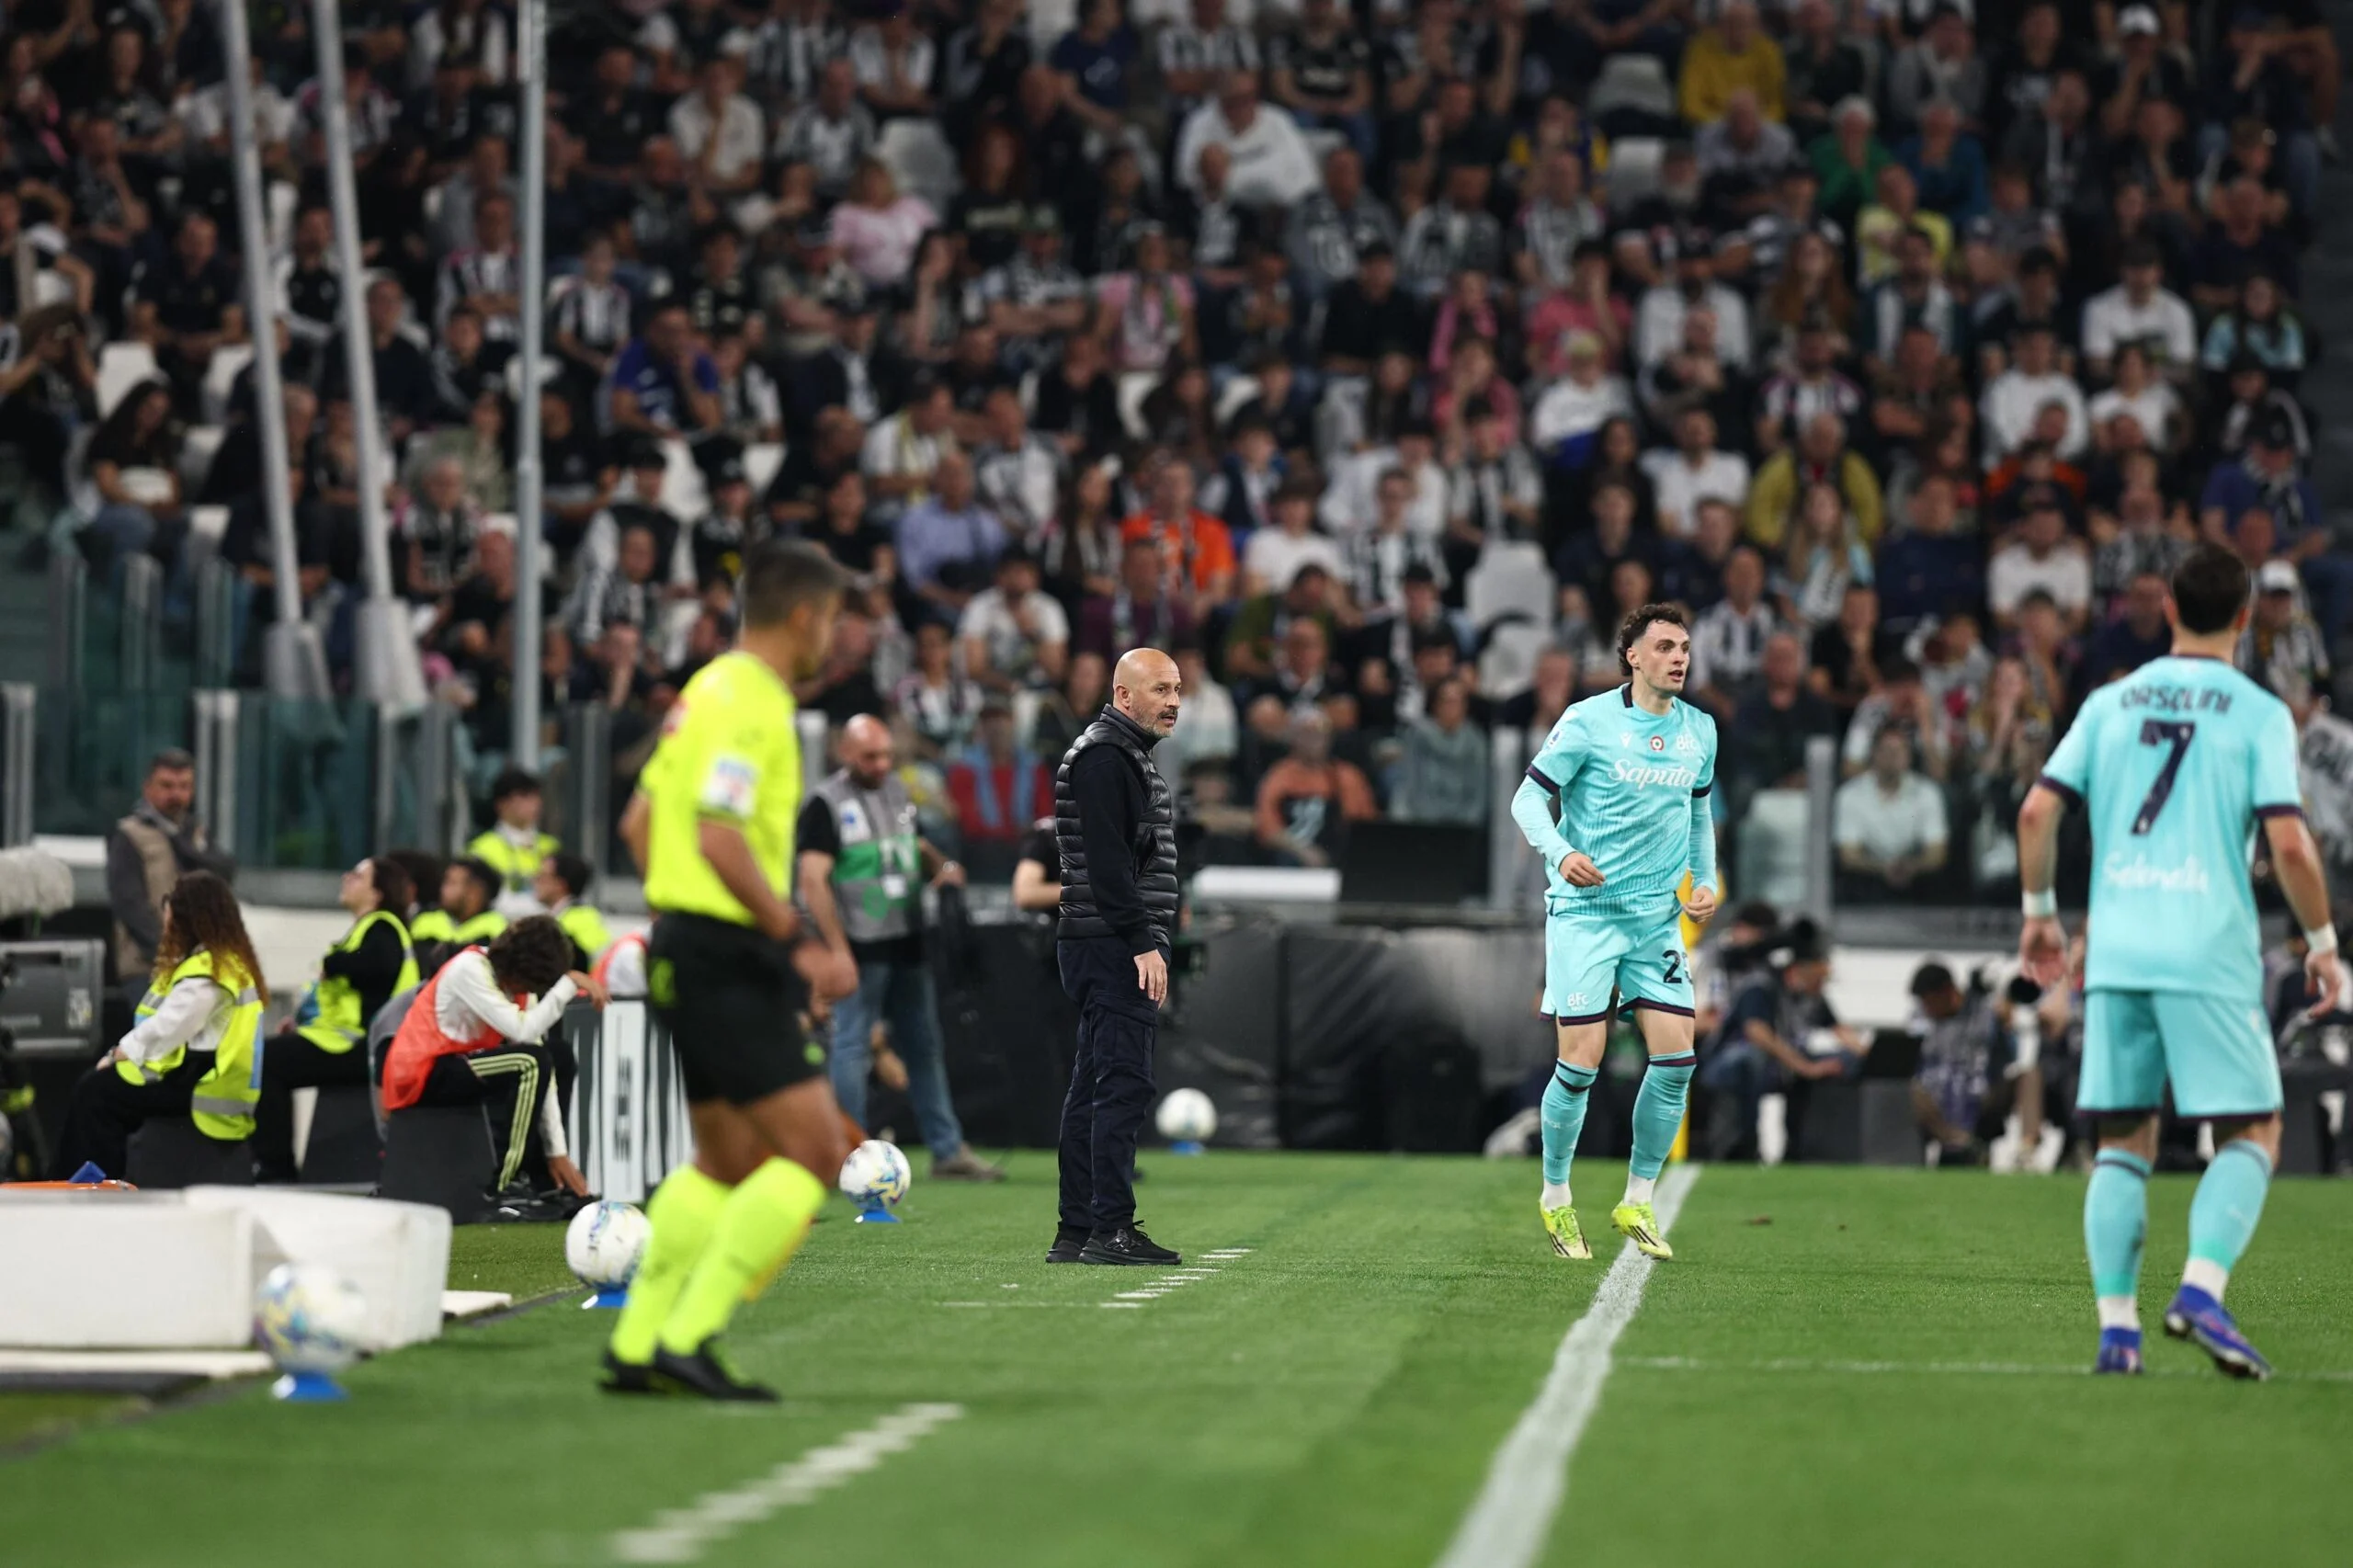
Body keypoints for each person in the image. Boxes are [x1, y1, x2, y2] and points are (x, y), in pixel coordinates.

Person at [2018, 544, 2343, 1381]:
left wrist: (2041, 914)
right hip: (2207, 946)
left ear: (2168, 610)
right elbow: (2290, 844)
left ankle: (2117, 1333)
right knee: (2253, 1128)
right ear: (2245, 617)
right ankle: (2200, 1289)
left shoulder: (2109, 702)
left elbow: (2036, 814)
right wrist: (2323, 943)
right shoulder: (2260, 712)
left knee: (2122, 1141)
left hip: (2119, 947)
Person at [603, 541, 860, 1402]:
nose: (833, 637)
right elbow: (720, 837)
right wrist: (793, 940)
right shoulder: (755, 701)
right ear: (804, 616)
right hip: (726, 948)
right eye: (832, 619)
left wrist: (680, 917)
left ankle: (637, 1343)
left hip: (684, 943)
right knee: (814, 1152)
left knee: (726, 1161)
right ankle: (688, 1335)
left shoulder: (702, 692)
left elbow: (640, 824)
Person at [1507, 603, 1720, 1264]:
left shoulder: (1700, 730)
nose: (1678, 658)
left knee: (1677, 1061)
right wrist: (1560, 852)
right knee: (1581, 1064)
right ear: (1633, 657)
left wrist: (1705, 880)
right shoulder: (1588, 721)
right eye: (1664, 647)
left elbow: (1699, 815)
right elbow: (1526, 799)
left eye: (1684, 647)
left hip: (1655, 919)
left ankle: (1637, 1197)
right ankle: (1556, 1196)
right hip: (1586, 916)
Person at [798, 714, 1005, 1182]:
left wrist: (942, 866)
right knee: (851, 1046)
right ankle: (848, 1154)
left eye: (886, 755)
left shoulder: (896, 790)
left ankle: (947, 1149)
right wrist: (836, 949)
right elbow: (812, 879)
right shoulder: (825, 803)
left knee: (923, 1045)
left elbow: (911, 841)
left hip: (907, 939)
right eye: (870, 756)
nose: (881, 764)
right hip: (860, 944)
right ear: (845, 753)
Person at [1050, 648, 1185, 1267]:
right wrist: (1142, 942)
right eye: (1160, 689)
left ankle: (1077, 1231)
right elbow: (1108, 867)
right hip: (1112, 943)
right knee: (1122, 1084)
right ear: (1123, 696)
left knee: (1092, 1086)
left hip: (1098, 939)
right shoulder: (1108, 757)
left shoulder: (1115, 753)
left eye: (1177, 689)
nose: (1173, 701)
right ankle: (1111, 1229)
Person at [51, 872, 267, 1179]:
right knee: (100, 1090)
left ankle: (91, 1185)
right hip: (204, 1078)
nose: (165, 928)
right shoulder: (225, 964)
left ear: (190, 921)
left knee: (97, 1093)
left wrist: (120, 1053)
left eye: (170, 919)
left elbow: (170, 1026)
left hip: (200, 1086)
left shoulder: (208, 971)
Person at [380, 915, 600, 1209]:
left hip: (460, 1066)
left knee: (556, 1056)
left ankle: (545, 1181)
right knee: (529, 1062)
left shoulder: (518, 988)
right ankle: (504, 1184)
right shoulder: (469, 969)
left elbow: (544, 1072)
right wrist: (569, 984)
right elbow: (522, 1031)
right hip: (421, 1074)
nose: (527, 992)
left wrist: (556, 1152)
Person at [253, 858, 421, 1183]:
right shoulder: (366, 929)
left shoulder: (383, 926)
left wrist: (336, 961)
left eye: (358, 876)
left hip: (362, 1048)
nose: (346, 878)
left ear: (377, 893)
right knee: (269, 1057)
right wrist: (301, 1023)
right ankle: (275, 1164)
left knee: (266, 1061)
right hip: (348, 1042)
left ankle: (275, 1168)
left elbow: (378, 966)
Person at [107, 749, 235, 990]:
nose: (176, 794)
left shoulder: (196, 833)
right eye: (167, 786)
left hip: (199, 966)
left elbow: (224, 875)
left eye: (184, 786)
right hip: (147, 967)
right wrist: (169, 952)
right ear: (148, 788)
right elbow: (129, 904)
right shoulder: (130, 834)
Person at [467, 767, 562, 913]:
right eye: (525, 796)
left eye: (536, 796)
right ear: (502, 804)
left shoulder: (551, 846)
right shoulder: (480, 850)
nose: (535, 803)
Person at [410, 856, 507, 967]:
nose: (443, 889)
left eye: (452, 883)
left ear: (474, 892)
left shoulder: (495, 930)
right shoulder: (426, 920)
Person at [535, 852, 614, 971]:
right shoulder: (558, 916)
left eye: (543, 876)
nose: (535, 880)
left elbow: (596, 963)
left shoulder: (584, 917)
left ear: (560, 884)